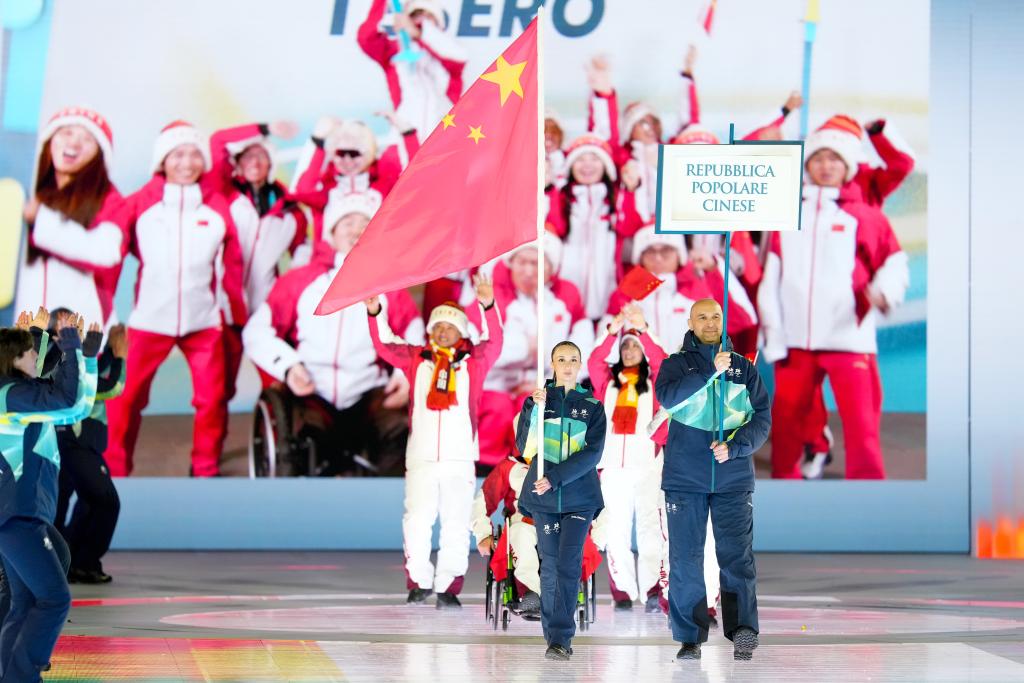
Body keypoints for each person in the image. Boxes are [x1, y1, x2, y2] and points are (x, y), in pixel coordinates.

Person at [758, 115, 909, 481]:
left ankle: (867, 492)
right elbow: (771, 277)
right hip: (795, 343)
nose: (826, 166)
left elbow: (894, 262)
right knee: (786, 427)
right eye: (818, 159)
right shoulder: (786, 216)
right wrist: (774, 334)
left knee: (862, 427)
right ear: (807, 165)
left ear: (848, 166)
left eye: (834, 159)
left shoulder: (865, 215)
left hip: (848, 338)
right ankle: (786, 482)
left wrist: (884, 292)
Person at [104, 121, 248, 477]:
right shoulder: (139, 204)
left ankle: (205, 468)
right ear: (162, 160)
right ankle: (115, 472)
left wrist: (235, 313)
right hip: (149, 320)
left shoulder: (217, 206)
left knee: (212, 399)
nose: (187, 163)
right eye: (177, 154)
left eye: (194, 154)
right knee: (124, 398)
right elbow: (110, 252)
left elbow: (233, 265)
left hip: (204, 322)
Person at [242, 193, 423, 475]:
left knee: (398, 434)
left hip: (369, 393)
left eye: (365, 223)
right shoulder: (299, 282)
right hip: (313, 391)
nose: (356, 230)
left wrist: (405, 376)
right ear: (332, 233)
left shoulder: (390, 288)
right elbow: (256, 331)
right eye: (348, 222)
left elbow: (414, 337)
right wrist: (289, 366)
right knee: (305, 440)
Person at [366, 275, 502, 608]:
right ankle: (419, 582)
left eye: (450, 327)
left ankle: (448, 586)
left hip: (459, 457)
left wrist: (487, 305)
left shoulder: (475, 362)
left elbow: (495, 340)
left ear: (462, 333)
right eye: (437, 326)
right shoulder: (417, 358)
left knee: (456, 522)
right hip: (422, 456)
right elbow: (386, 344)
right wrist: (375, 312)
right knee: (417, 519)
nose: (443, 332)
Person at [655, 299, 770, 661]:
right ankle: (690, 636)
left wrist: (735, 447)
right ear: (690, 322)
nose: (709, 323)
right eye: (702, 317)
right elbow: (668, 398)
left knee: (737, 557)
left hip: (733, 479)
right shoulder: (674, 365)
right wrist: (709, 370)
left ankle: (743, 631)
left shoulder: (744, 369)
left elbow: (762, 419)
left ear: (723, 321)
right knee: (685, 560)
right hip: (684, 479)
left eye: (716, 317)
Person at [0, 311, 100, 682]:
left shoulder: (19, 395)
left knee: (27, 597)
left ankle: (14, 673)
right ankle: (20, 675)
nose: (35, 356)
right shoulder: (12, 397)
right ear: (14, 359)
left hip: (22, 513)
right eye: (29, 351)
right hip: (17, 515)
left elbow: (77, 407)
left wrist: (87, 357)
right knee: (54, 599)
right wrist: (72, 350)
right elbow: (69, 400)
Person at [469, 234, 594, 468]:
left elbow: (583, 354)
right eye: (521, 262)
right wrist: (525, 348)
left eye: (535, 263)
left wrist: (547, 382)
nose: (528, 271)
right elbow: (479, 351)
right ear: (511, 264)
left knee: (539, 409)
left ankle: (533, 472)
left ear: (551, 267)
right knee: (497, 409)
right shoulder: (491, 296)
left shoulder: (566, 297)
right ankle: (483, 471)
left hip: (547, 385)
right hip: (497, 385)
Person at [517, 341, 607, 661]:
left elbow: (593, 454)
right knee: (551, 567)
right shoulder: (540, 401)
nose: (567, 365)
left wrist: (555, 477)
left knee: (568, 564)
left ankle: (561, 638)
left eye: (573, 359)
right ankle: (553, 637)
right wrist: (532, 410)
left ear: (580, 364)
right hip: (544, 499)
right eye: (561, 359)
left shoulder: (593, 405)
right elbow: (523, 447)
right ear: (552, 364)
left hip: (579, 498)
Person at [207, 120, 307, 402]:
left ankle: (279, 427)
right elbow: (218, 140)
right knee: (219, 388)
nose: (254, 162)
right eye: (247, 156)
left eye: (261, 156)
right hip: (225, 307)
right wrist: (264, 129)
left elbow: (302, 255)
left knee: (279, 382)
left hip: (266, 309)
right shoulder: (224, 194)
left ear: (271, 163)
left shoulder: (289, 209)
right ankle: (214, 435)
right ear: (237, 163)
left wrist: (288, 298)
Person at [14, 107, 128, 331]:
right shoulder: (27, 189)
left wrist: (41, 220)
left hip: (79, 335)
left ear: (99, 154)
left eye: (87, 139)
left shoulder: (109, 198)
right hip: (24, 332)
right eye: (66, 132)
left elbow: (107, 254)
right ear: (50, 140)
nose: (74, 143)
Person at [587, 304, 668, 612]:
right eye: (625, 346)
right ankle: (622, 591)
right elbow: (594, 360)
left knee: (649, 531)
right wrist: (613, 330)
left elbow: (661, 359)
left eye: (635, 346)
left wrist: (642, 328)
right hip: (612, 468)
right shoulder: (607, 382)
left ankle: (651, 589)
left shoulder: (656, 382)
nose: (630, 350)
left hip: (647, 466)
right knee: (615, 530)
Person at [53, 322, 127, 583]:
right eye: (72, 332)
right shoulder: (67, 369)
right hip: (77, 445)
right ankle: (77, 563)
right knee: (105, 502)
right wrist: (120, 356)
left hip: (75, 445)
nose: (80, 336)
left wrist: (110, 351)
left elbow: (94, 368)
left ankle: (75, 563)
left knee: (85, 504)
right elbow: (112, 386)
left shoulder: (70, 364)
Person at [357, 0, 467, 141]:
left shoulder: (450, 57)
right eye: (416, 15)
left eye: (429, 16)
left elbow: (459, 57)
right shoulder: (393, 52)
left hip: (443, 142)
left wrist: (419, 33)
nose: (421, 20)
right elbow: (367, 38)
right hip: (405, 139)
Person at [470, 446, 540, 619]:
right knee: (520, 533)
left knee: (570, 537)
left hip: (558, 522)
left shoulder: (568, 462)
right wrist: (483, 533)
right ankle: (531, 595)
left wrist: (596, 537)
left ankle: (563, 594)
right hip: (524, 523)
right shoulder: (509, 467)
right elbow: (483, 500)